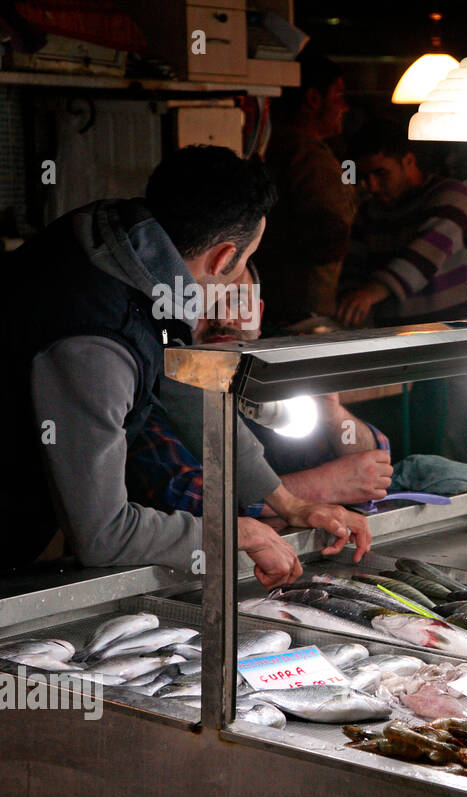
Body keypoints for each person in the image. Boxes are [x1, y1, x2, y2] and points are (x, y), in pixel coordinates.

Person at [0, 145, 370, 585]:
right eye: (245, 262)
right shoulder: (96, 340)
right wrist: (233, 533)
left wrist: (287, 502)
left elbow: (183, 386)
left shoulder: (126, 246)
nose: (240, 277)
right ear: (220, 258)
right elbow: (103, 535)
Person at [127, 264, 394, 515]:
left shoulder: (273, 376)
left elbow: (374, 459)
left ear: (259, 312)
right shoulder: (152, 387)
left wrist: (334, 418)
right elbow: (183, 498)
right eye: (203, 303)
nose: (224, 317)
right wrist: (321, 486)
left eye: (240, 302)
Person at [337, 120, 467, 328]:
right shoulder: (369, 210)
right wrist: (349, 303)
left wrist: (367, 295)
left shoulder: (452, 195)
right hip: (390, 335)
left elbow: (421, 258)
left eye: (381, 173)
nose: (372, 186)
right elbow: (353, 265)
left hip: (452, 332)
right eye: (364, 177)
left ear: (408, 161)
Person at [256, 51, 355, 333]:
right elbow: (328, 238)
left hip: (279, 307)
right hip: (303, 312)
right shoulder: (307, 155)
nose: (345, 107)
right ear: (313, 99)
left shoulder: (274, 145)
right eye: (338, 96)